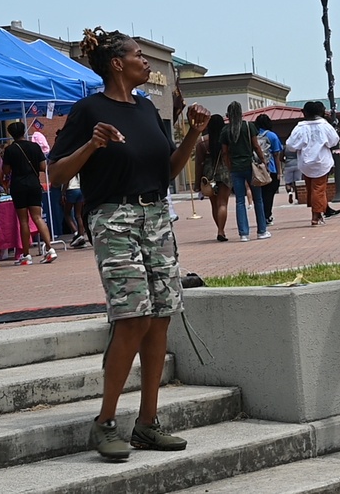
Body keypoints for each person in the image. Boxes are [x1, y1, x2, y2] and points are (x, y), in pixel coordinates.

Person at [48, 26, 210, 460]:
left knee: (160, 317)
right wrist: (93, 144)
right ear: (117, 63)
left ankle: (147, 423)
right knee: (132, 316)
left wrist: (193, 134)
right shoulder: (87, 111)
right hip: (112, 218)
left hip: (156, 214)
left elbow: (165, 172)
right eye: (139, 54)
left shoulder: (146, 111)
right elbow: (57, 175)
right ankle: (104, 423)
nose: (146, 61)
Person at [2, 121, 57, 266]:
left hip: (18, 186)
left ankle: (26, 255)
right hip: (34, 184)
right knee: (38, 217)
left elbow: (6, 171)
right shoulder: (35, 147)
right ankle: (50, 249)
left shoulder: (10, 150)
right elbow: (42, 166)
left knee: (24, 221)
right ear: (24, 131)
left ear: (11, 134)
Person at [219, 101, 269, 242]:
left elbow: (224, 153)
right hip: (250, 166)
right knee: (258, 199)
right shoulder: (248, 126)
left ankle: (244, 233)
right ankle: (262, 231)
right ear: (241, 113)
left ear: (228, 115)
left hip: (235, 168)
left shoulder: (226, 131)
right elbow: (256, 146)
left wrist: (229, 167)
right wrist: (263, 160)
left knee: (239, 201)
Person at [286, 101, 340, 226]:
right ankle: (316, 216)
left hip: (305, 162)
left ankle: (317, 212)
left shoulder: (300, 127)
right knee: (319, 189)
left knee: (312, 189)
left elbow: (290, 145)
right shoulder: (324, 125)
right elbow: (334, 140)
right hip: (321, 162)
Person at [194, 114, 233, 241]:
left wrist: (197, 182)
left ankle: (220, 230)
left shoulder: (203, 142)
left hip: (209, 174)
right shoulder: (227, 140)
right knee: (223, 203)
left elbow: (199, 163)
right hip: (225, 173)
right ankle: (221, 231)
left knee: (214, 204)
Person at [254, 113, 283, 226]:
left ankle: (260, 217)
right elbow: (276, 155)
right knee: (269, 194)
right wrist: (279, 172)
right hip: (271, 169)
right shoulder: (272, 136)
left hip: (256, 169)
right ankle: (267, 215)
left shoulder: (253, 135)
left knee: (259, 196)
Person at [62, 173, 86, 248]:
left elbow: (67, 181)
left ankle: (76, 233)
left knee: (67, 214)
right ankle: (81, 234)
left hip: (71, 190)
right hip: (79, 190)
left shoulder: (69, 169)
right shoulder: (78, 168)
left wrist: (63, 192)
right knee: (78, 215)